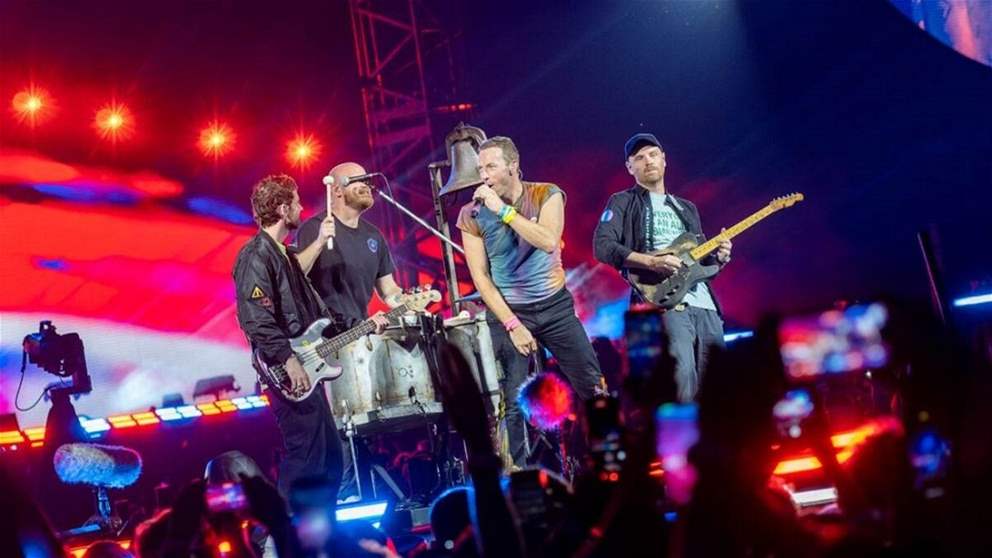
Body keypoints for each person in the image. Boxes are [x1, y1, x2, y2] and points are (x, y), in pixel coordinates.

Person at [456, 135, 605, 468]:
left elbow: (549, 241)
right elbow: (481, 277)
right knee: (512, 402)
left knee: (593, 387)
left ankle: (607, 460)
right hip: (509, 312)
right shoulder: (472, 214)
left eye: (491, 166)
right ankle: (522, 475)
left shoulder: (546, 194)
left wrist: (503, 211)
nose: (483, 175)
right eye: (480, 169)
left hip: (555, 307)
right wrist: (512, 325)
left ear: (513, 165)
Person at [594, 133, 732, 402]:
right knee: (681, 385)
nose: (648, 161)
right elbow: (602, 246)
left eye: (653, 154)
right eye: (639, 158)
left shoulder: (687, 208)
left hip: (706, 306)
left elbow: (701, 264)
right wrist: (651, 261)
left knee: (719, 391)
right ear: (629, 167)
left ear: (664, 159)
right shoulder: (623, 202)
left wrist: (719, 258)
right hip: (663, 305)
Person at [293, 161, 401, 500]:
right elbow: (293, 277)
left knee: (362, 418)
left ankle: (367, 491)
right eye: (358, 181)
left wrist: (407, 303)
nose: (367, 185)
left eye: (368, 179)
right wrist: (319, 242)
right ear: (336, 190)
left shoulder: (373, 236)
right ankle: (342, 494)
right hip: (321, 344)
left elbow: (389, 290)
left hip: (358, 338)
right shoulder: (314, 228)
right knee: (336, 424)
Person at [233, 173, 342, 499]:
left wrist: (320, 242)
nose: (302, 208)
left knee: (330, 460)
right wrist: (288, 360)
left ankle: (321, 526)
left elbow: (298, 288)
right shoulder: (255, 256)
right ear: (283, 209)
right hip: (288, 372)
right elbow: (256, 319)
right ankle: (285, 528)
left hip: (306, 366)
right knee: (307, 461)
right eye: (296, 202)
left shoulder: (282, 253)